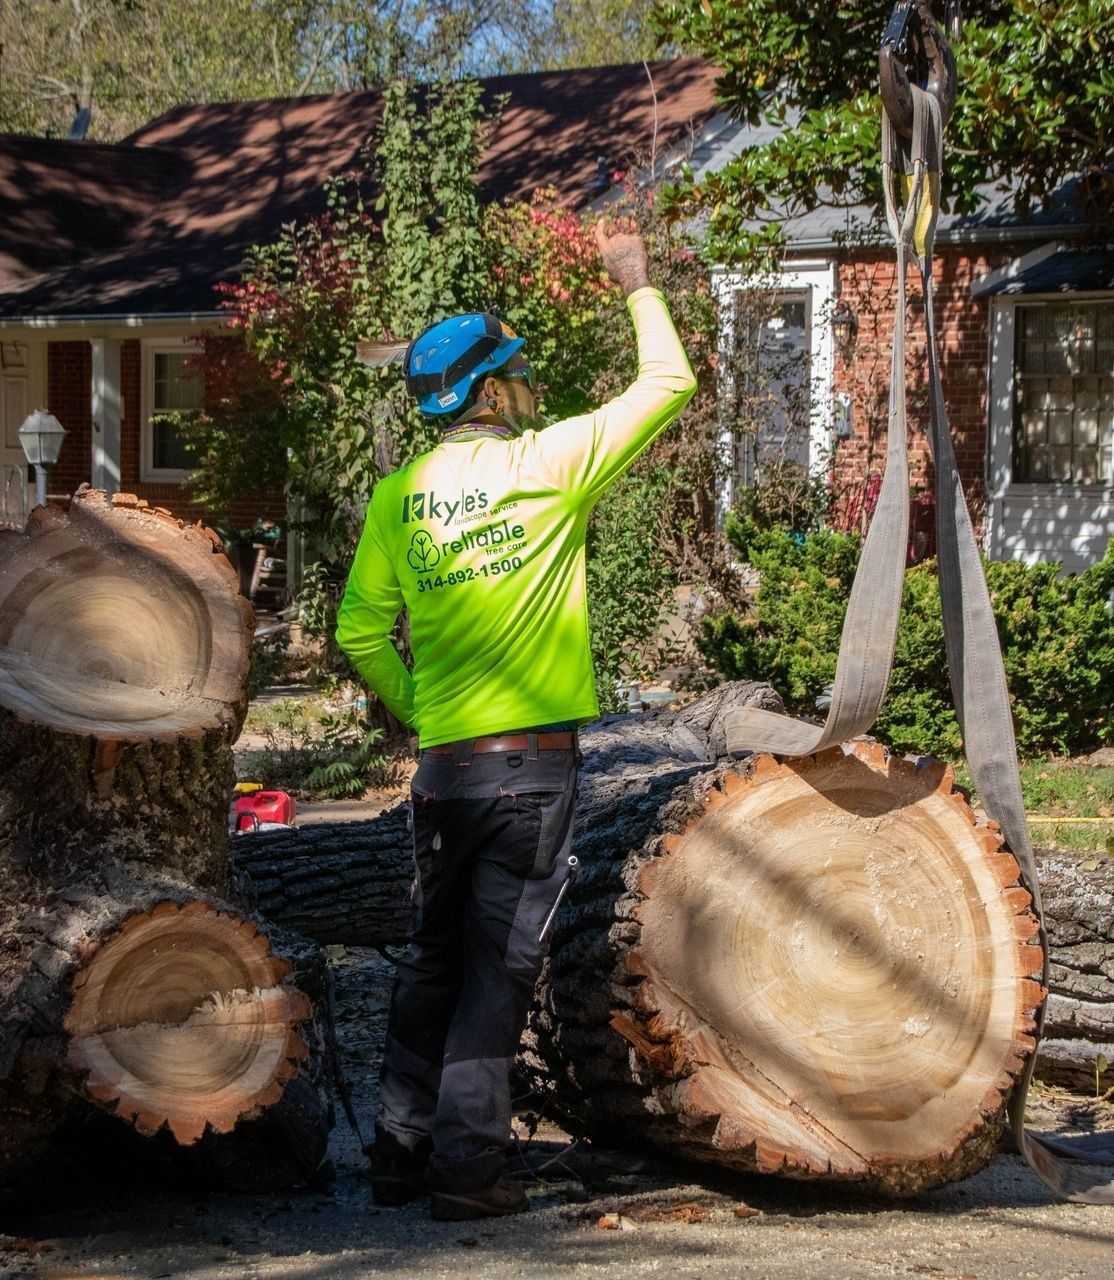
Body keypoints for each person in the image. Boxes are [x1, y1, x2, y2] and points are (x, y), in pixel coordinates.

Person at [333, 222, 694, 1220]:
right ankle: (465, 1174)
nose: (531, 388)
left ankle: (399, 1161)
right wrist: (634, 281)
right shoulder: (549, 462)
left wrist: (422, 712)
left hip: (444, 772)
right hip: (531, 772)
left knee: (430, 958)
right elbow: (667, 386)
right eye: (521, 375)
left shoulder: (400, 498)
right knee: (496, 973)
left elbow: (358, 629)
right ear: (491, 392)